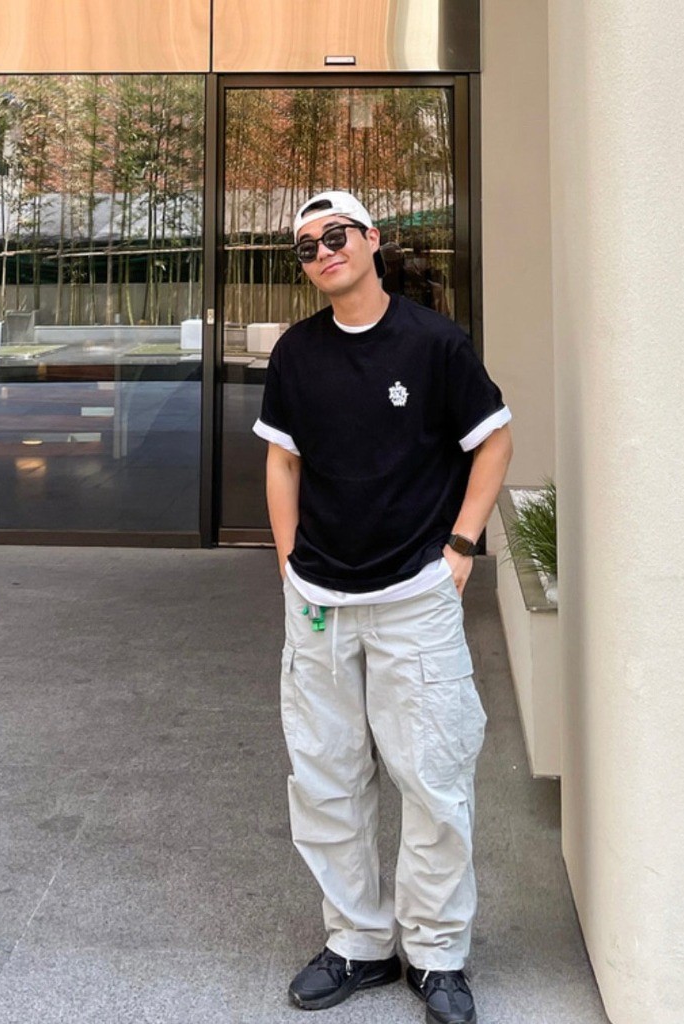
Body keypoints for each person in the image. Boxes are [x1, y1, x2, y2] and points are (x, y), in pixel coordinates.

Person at [252, 191, 512, 1024]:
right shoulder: (297, 352)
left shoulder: (434, 343)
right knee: (325, 780)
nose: (322, 252)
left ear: (370, 240)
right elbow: (282, 460)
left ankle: (437, 956)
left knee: (433, 778)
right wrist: (289, 565)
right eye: (305, 246)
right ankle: (359, 945)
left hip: (412, 597)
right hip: (319, 601)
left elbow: (493, 439)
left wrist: (461, 546)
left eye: (335, 235)